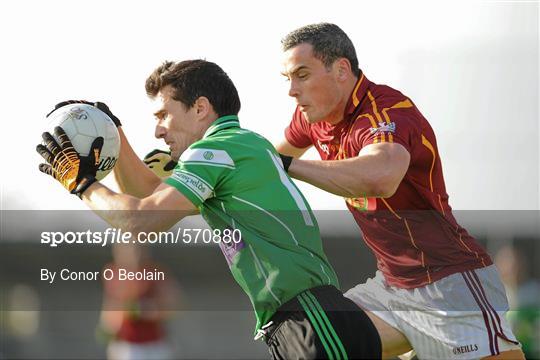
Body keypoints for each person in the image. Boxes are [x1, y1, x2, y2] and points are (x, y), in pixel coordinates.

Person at [36, 60, 382, 359]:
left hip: (312, 320)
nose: (158, 130)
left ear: (200, 108)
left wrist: (81, 184)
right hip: (309, 319)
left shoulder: (213, 151)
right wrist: (116, 133)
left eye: (163, 115)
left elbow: (141, 219)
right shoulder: (240, 145)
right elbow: (152, 195)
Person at [276, 23, 524, 359]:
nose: (292, 90)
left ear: (341, 70)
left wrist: (289, 166)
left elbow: (381, 177)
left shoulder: (387, 111)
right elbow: (267, 166)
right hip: (392, 289)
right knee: (318, 344)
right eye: (287, 78)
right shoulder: (312, 118)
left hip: (450, 284)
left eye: (302, 75)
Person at [98, 243, 180, 360]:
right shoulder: (112, 273)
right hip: (126, 344)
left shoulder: (155, 273)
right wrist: (107, 327)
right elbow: (109, 305)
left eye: (137, 249)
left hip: (153, 344)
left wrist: (143, 310)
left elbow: (172, 306)